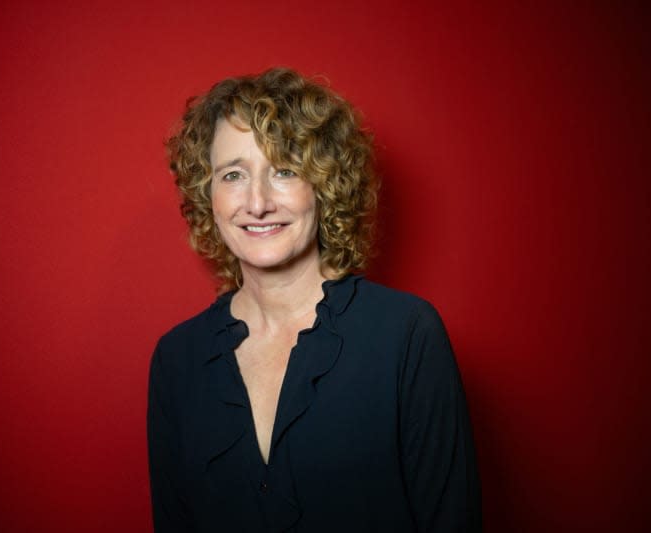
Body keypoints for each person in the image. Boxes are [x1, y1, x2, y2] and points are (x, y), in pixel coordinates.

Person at [148, 67, 482, 532]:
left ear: (324, 185)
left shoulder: (406, 335)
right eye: (233, 174)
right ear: (209, 195)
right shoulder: (176, 359)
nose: (258, 201)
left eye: (284, 170)